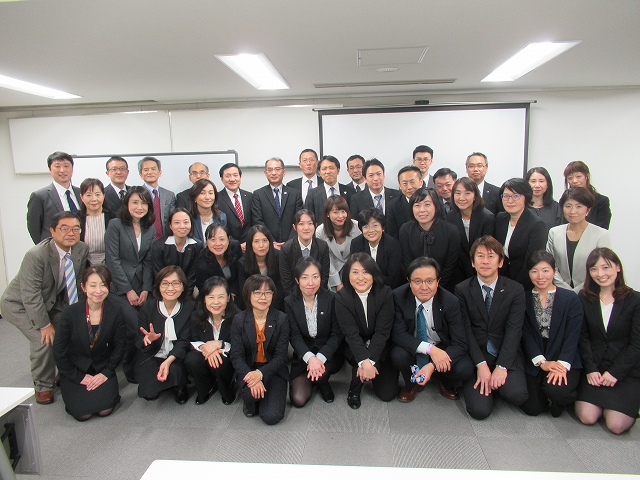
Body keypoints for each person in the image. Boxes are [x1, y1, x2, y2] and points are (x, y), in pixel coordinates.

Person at [1, 212, 88, 405]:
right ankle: (43, 386)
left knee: (68, 331)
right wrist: (44, 325)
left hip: (50, 301)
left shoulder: (81, 249)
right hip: (19, 304)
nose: (71, 233)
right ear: (52, 231)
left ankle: (64, 372)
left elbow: (77, 283)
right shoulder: (36, 256)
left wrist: (77, 315)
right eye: (64, 228)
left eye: (76, 229)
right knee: (44, 340)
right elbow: (30, 295)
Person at [454, 235, 528, 420]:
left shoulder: (515, 290)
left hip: (504, 352)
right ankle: (488, 384)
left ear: (500, 262)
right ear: (473, 262)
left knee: (517, 395)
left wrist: (502, 366)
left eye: (491, 256)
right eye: (480, 256)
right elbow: (466, 330)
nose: (485, 261)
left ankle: (499, 382)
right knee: (479, 411)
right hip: (477, 355)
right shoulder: (462, 289)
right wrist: (481, 365)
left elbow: (514, 331)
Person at [575, 248, 640, 434]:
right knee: (587, 417)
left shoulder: (635, 300)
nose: (600, 274)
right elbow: (582, 337)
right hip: (595, 369)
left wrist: (615, 372)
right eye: (594, 269)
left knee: (616, 426)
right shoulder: (585, 298)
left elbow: (637, 344)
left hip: (624, 373)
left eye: (606, 267)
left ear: (617, 267)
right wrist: (591, 369)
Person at [392, 257, 474, 402]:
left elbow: (460, 342)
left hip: (441, 346)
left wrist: (433, 365)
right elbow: (398, 334)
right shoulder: (398, 296)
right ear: (409, 281)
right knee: (398, 355)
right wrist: (430, 350)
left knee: (465, 368)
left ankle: (441, 377)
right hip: (415, 344)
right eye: (418, 281)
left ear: (438, 281)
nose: (424, 287)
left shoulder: (450, 302)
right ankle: (413, 382)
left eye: (430, 281)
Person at [53, 266, 127, 421]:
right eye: (93, 285)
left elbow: (120, 346)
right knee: (83, 414)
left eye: (103, 285)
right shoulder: (70, 313)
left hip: (101, 367)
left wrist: (106, 372)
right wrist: (77, 376)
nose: (98, 291)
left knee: (105, 409)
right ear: (83, 287)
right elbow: (59, 350)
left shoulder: (115, 311)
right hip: (75, 369)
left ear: (109, 286)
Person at [520, 251, 583, 417]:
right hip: (536, 355)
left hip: (564, 354)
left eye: (545, 270)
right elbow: (525, 333)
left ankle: (559, 398)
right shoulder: (523, 298)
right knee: (532, 408)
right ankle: (545, 391)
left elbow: (573, 335)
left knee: (557, 391)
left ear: (554, 271)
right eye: (534, 271)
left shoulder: (570, 298)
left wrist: (561, 365)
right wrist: (542, 362)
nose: (540, 276)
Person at [104, 186, 156, 382]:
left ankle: (146, 365)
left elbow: (148, 261)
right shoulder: (115, 225)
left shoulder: (150, 228)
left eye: (144, 203)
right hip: (119, 288)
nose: (139, 207)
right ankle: (130, 367)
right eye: (135, 202)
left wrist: (146, 288)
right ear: (126, 204)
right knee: (134, 328)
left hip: (142, 286)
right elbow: (112, 260)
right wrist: (128, 290)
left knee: (148, 325)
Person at [335, 253, 398, 409]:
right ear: (347, 274)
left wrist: (371, 362)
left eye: (366, 272)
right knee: (362, 364)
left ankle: (363, 368)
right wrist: (365, 363)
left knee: (387, 394)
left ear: (373, 274)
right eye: (355, 272)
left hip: (380, 344)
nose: (360, 277)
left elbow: (383, 332)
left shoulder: (385, 293)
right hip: (354, 344)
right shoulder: (342, 297)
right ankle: (354, 388)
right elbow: (351, 334)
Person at [230, 274, 290, 425]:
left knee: (272, 416)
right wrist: (252, 376)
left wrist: (261, 374)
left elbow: (281, 356)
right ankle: (252, 400)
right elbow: (236, 355)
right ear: (248, 295)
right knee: (251, 396)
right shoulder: (239, 320)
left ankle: (265, 397)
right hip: (249, 369)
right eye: (257, 293)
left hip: (274, 370)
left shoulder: (282, 319)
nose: (263, 297)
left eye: (267, 292)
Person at [285, 257, 344, 407]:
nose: (310, 283)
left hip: (328, 354)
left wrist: (320, 358)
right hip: (304, 355)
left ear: (321, 278)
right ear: (297, 280)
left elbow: (337, 334)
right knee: (298, 400)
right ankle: (315, 377)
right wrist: (310, 358)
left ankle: (322, 382)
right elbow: (294, 336)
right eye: (305, 277)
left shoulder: (332, 299)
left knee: (321, 374)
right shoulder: (289, 302)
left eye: (315, 277)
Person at [135, 266, 194, 403]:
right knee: (150, 395)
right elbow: (139, 339)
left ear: (183, 286)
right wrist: (147, 340)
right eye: (165, 283)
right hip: (153, 355)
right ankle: (167, 382)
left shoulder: (190, 307)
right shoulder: (148, 307)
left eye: (176, 283)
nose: (170, 288)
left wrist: (167, 362)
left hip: (176, 357)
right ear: (158, 286)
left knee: (177, 369)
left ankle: (179, 384)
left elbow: (185, 341)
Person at [184, 276, 238, 405]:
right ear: (204, 299)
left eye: (221, 297)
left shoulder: (238, 317)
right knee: (191, 359)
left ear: (229, 298)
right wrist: (207, 348)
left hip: (228, 360)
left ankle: (227, 388)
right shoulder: (196, 316)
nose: (216, 302)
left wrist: (220, 344)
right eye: (211, 297)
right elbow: (191, 340)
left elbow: (240, 345)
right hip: (205, 355)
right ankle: (207, 386)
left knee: (220, 361)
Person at [547, 187, 611, 293]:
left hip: (590, 292)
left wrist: (577, 291)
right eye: (568, 206)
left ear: (588, 209)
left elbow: (602, 267)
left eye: (579, 206)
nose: (573, 211)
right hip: (560, 291)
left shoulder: (601, 234)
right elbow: (550, 265)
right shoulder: (554, 232)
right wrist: (565, 289)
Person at [399, 188, 460, 291]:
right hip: (415, 287)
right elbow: (407, 263)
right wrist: (419, 286)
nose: (422, 210)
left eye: (427, 204)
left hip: (445, 287)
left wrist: (435, 287)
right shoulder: (405, 230)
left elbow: (450, 266)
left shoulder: (451, 231)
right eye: (417, 205)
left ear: (436, 206)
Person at [494, 178, 547, 290]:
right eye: (506, 196)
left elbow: (532, 262)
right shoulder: (500, 218)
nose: (510, 200)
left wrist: (514, 288)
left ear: (526, 197)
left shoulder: (536, 224)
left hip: (524, 282)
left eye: (516, 196)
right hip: (501, 279)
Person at [446, 177, 495, 285]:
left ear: (475, 195)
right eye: (457, 193)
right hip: (458, 270)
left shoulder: (487, 217)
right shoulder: (450, 216)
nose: (461, 198)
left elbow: (485, 248)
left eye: (467, 193)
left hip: (481, 267)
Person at [27, 151, 82, 244]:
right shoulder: (39, 196)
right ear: (50, 169)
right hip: (53, 248)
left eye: (66, 166)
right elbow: (34, 227)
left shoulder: (81, 193)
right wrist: (44, 248)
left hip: (80, 248)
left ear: (72, 169)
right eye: (57, 166)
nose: (62, 170)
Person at [252, 157, 304, 247]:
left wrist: (289, 242)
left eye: (277, 169)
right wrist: (271, 242)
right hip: (267, 245)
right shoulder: (258, 195)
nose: (273, 173)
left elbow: (298, 220)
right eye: (270, 170)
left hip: (292, 245)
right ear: (265, 173)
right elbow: (258, 221)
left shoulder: (295, 194)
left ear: (284, 172)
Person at [151, 208, 203, 296]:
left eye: (186, 222)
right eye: (177, 222)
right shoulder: (158, 246)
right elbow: (159, 274)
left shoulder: (197, 245)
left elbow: (192, 275)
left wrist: (185, 295)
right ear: (170, 225)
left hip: (187, 292)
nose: (182, 226)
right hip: (165, 291)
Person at [279, 209, 330, 296]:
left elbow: (324, 277)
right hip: (294, 296)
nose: (306, 228)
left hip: (318, 294)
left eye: (310, 223)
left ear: (315, 225)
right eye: (301, 224)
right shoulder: (286, 249)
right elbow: (286, 282)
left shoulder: (322, 246)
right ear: (294, 227)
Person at [316, 196, 361, 291]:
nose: (340, 216)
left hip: (354, 269)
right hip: (331, 271)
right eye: (335, 212)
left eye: (343, 211)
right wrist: (337, 283)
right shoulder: (320, 231)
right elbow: (326, 259)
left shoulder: (357, 226)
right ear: (327, 214)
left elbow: (360, 255)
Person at [350, 208, 402, 289]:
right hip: (362, 287)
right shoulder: (356, 243)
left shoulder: (392, 245)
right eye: (366, 226)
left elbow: (393, 277)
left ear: (382, 227)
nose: (371, 230)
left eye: (375, 225)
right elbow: (355, 271)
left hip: (387, 289)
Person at [238, 225, 285, 311]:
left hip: (277, 306)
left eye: (264, 240)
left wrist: (271, 310)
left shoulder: (278, 257)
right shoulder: (243, 263)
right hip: (253, 308)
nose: (261, 245)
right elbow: (244, 292)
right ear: (250, 244)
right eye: (256, 241)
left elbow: (281, 288)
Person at [194, 223, 241, 302]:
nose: (218, 244)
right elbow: (204, 290)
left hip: (236, 293)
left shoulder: (235, 247)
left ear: (228, 239)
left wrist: (232, 293)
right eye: (213, 240)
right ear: (206, 241)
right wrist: (225, 296)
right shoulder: (201, 263)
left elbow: (240, 274)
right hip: (214, 299)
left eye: (222, 239)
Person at [304, 155, 355, 224]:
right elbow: (308, 218)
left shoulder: (350, 191)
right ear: (319, 172)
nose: (328, 171)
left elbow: (353, 217)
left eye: (331, 168)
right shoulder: (312, 194)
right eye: (324, 169)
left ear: (338, 170)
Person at [349, 158, 401, 222]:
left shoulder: (397, 195)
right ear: (365, 178)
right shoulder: (357, 199)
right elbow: (355, 223)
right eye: (371, 175)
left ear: (384, 175)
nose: (376, 178)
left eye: (379, 174)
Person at [564, 161, 611, 229]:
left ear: (587, 176)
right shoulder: (565, 200)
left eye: (578, 176)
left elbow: (602, 229)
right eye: (570, 178)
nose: (574, 181)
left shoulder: (601, 201)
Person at [78, 178, 115, 266]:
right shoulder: (76, 219)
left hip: (110, 266)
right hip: (83, 266)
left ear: (103, 195)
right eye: (88, 195)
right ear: (81, 197)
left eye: (97, 194)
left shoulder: (114, 218)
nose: (94, 199)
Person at [138, 156, 176, 240]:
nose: (150, 172)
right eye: (146, 170)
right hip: (143, 239)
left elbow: (173, 218)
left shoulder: (169, 195)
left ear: (160, 172)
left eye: (153, 169)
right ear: (141, 175)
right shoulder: (136, 195)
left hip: (166, 239)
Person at [217, 163, 253, 249]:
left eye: (235, 175)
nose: (232, 179)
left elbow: (254, 221)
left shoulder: (250, 196)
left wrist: (249, 241)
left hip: (249, 246)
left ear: (240, 177)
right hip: (228, 247)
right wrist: (235, 244)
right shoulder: (216, 199)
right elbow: (218, 225)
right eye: (228, 176)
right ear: (222, 179)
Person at [386, 165, 422, 238]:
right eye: (405, 183)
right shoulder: (393, 206)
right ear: (400, 185)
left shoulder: (432, 201)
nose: (409, 187)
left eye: (412, 182)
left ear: (421, 182)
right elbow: (392, 235)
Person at [188, 178, 227, 244]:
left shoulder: (222, 217)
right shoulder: (188, 218)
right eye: (202, 193)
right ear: (194, 197)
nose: (207, 197)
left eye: (210, 193)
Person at [526, 166, 562, 231]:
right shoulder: (521, 206)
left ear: (547, 184)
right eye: (533, 181)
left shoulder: (555, 207)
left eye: (541, 181)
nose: (537, 185)